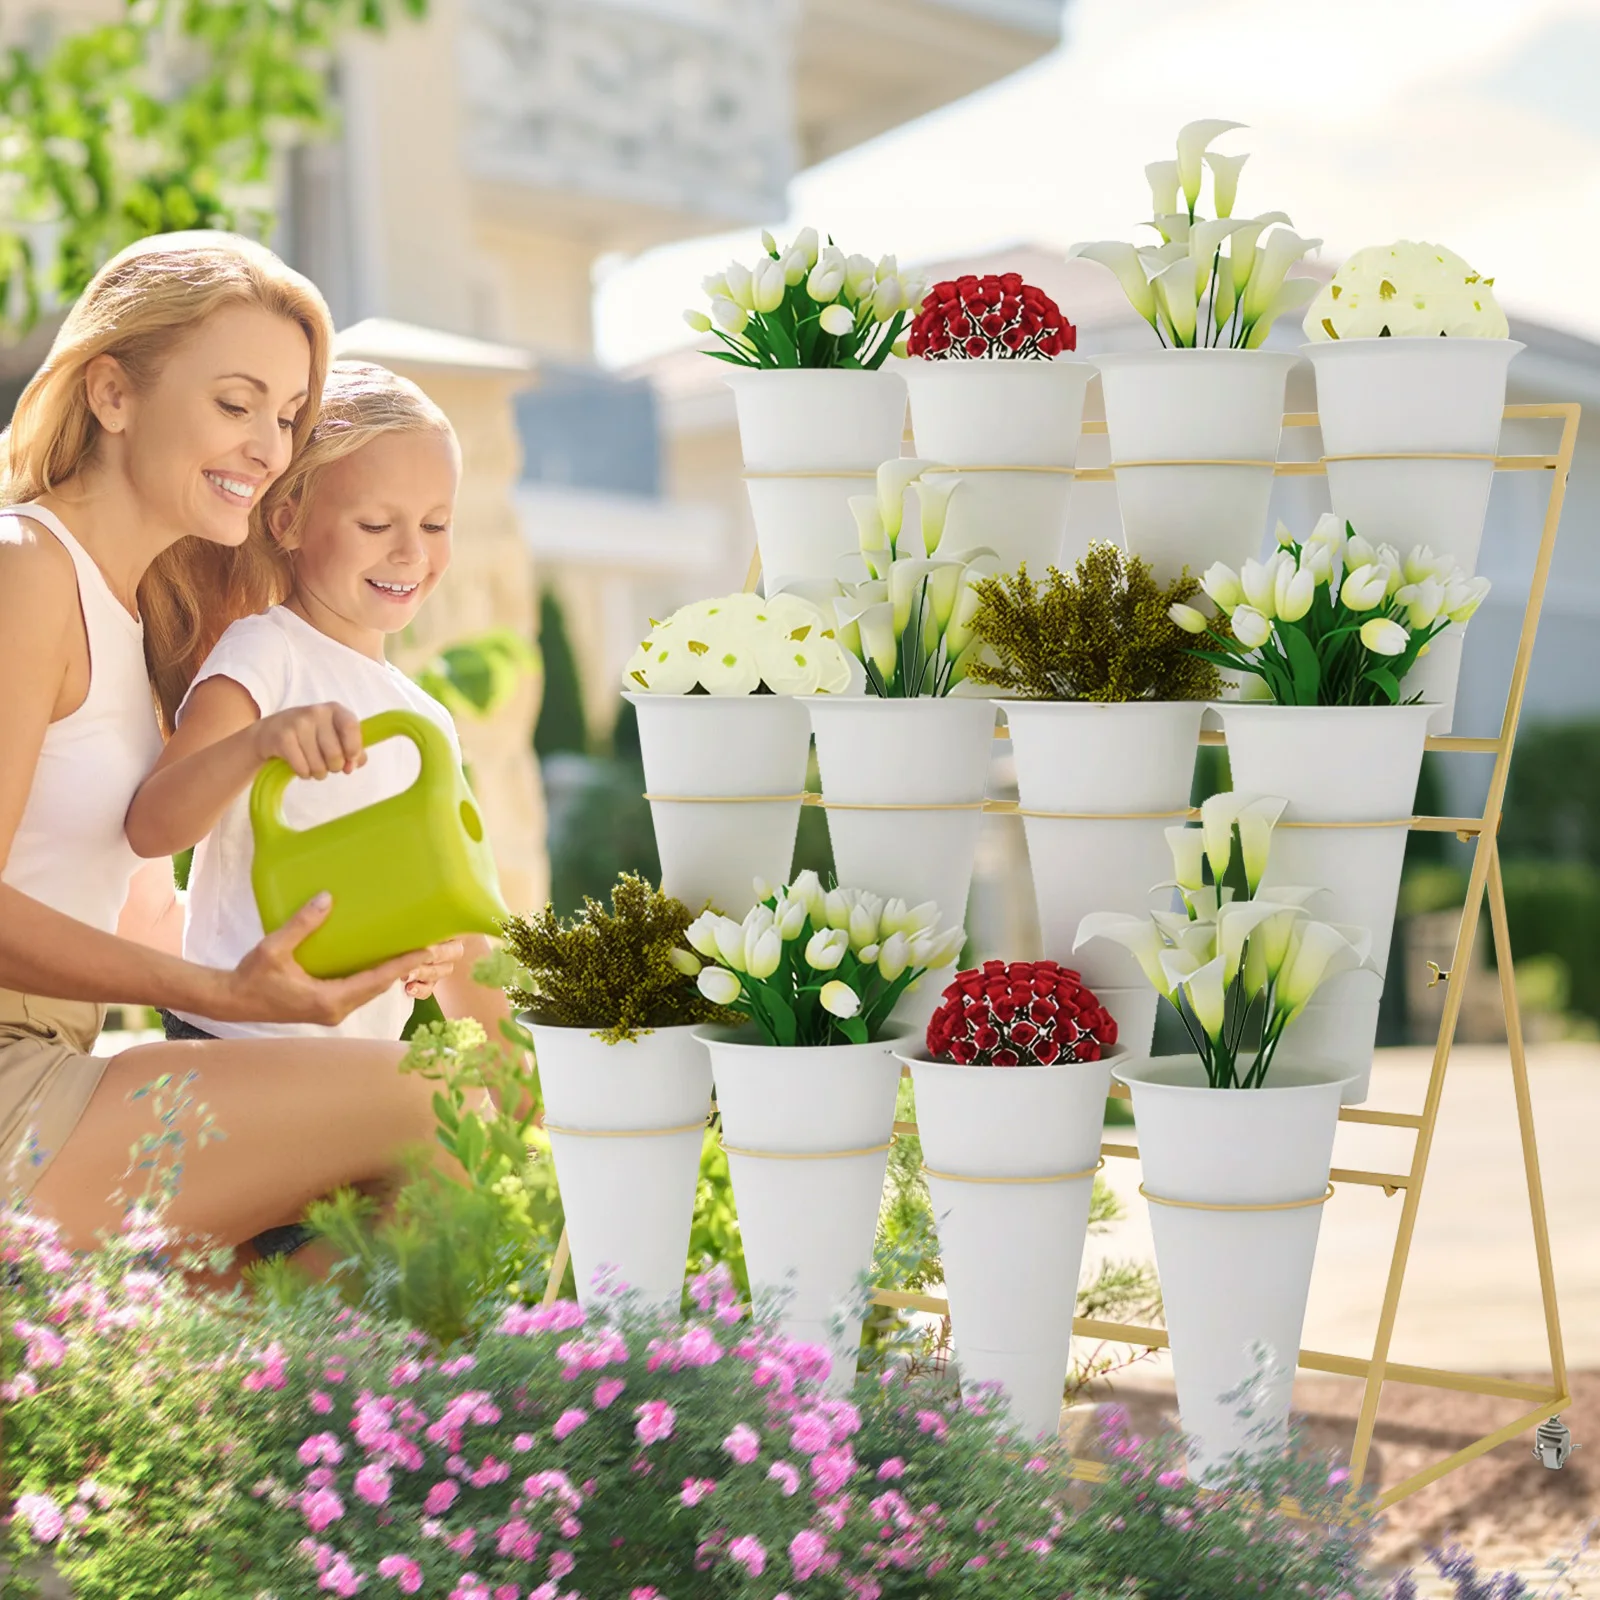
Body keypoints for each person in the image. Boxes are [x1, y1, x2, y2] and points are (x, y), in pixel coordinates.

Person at [0, 232, 462, 1260]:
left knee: (328, 1248)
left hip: (55, 1059)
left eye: (290, 416)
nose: (267, 444)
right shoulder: (23, 566)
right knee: (426, 1109)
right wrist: (219, 997)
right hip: (12, 1088)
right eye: (235, 403)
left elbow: (149, 912)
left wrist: (356, 960)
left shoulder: (142, 621)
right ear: (113, 393)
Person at [124, 360, 511, 1246]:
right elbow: (155, 824)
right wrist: (259, 741)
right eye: (376, 523)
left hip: (351, 1065)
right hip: (236, 1047)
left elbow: (452, 923)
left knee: (380, 1280)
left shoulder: (422, 720)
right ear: (289, 517)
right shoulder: (266, 656)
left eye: (436, 523)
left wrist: (446, 963)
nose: (411, 551)